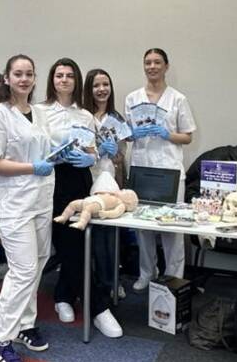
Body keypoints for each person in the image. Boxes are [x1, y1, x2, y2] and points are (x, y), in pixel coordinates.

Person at [0, 53, 55, 362]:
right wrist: (31, 167)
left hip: (41, 199)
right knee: (23, 269)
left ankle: (25, 323)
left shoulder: (39, 113)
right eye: (18, 74)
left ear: (35, 78)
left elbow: (45, 150)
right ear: (7, 79)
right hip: (14, 203)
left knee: (38, 262)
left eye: (29, 74)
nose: (24, 79)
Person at [40, 58, 120, 337]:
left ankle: (63, 294)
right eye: (59, 75)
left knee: (77, 242)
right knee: (67, 244)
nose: (64, 80)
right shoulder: (40, 111)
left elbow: (93, 151)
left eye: (69, 76)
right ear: (52, 80)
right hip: (53, 180)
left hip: (79, 179)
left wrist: (91, 157)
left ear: (76, 81)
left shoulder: (85, 115)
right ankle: (98, 308)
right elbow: (35, 148)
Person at [124, 48, 196, 289]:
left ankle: (173, 277)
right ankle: (146, 272)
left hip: (169, 170)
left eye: (157, 62)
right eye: (148, 62)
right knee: (142, 227)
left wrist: (167, 134)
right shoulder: (132, 98)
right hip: (141, 169)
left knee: (172, 228)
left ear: (166, 66)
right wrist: (133, 134)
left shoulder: (178, 99)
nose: (152, 66)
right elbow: (126, 134)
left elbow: (187, 137)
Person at [85, 67, 129, 306]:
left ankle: (112, 280)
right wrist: (96, 150)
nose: (101, 89)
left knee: (110, 234)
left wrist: (114, 154)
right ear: (88, 89)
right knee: (91, 234)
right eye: (96, 85)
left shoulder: (117, 119)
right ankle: (92, 282)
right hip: (87, 179)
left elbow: (121, 157)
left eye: (105, 85)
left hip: (109, 181)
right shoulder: (82, 116)